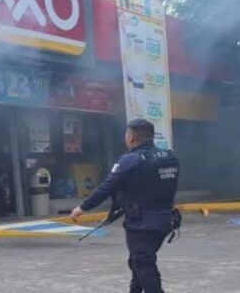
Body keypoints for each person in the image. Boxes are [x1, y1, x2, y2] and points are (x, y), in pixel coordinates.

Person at [71, 119, 180, 293]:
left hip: (142, 224)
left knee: (143, 264)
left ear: (130, 137)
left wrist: (83, 207)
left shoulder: (131, 160)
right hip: (166, 221)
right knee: (139, 260)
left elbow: (107, 186)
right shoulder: (169, 157)